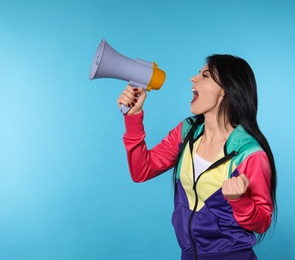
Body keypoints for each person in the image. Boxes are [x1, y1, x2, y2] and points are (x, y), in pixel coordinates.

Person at [117, 54, 277, 260]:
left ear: (226, 90)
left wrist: (239, 200)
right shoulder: (186, 132)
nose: (193, 78)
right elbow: (141, 171)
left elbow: (263, 221)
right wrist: (132, 119)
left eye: (205, 75)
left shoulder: (249, 153)